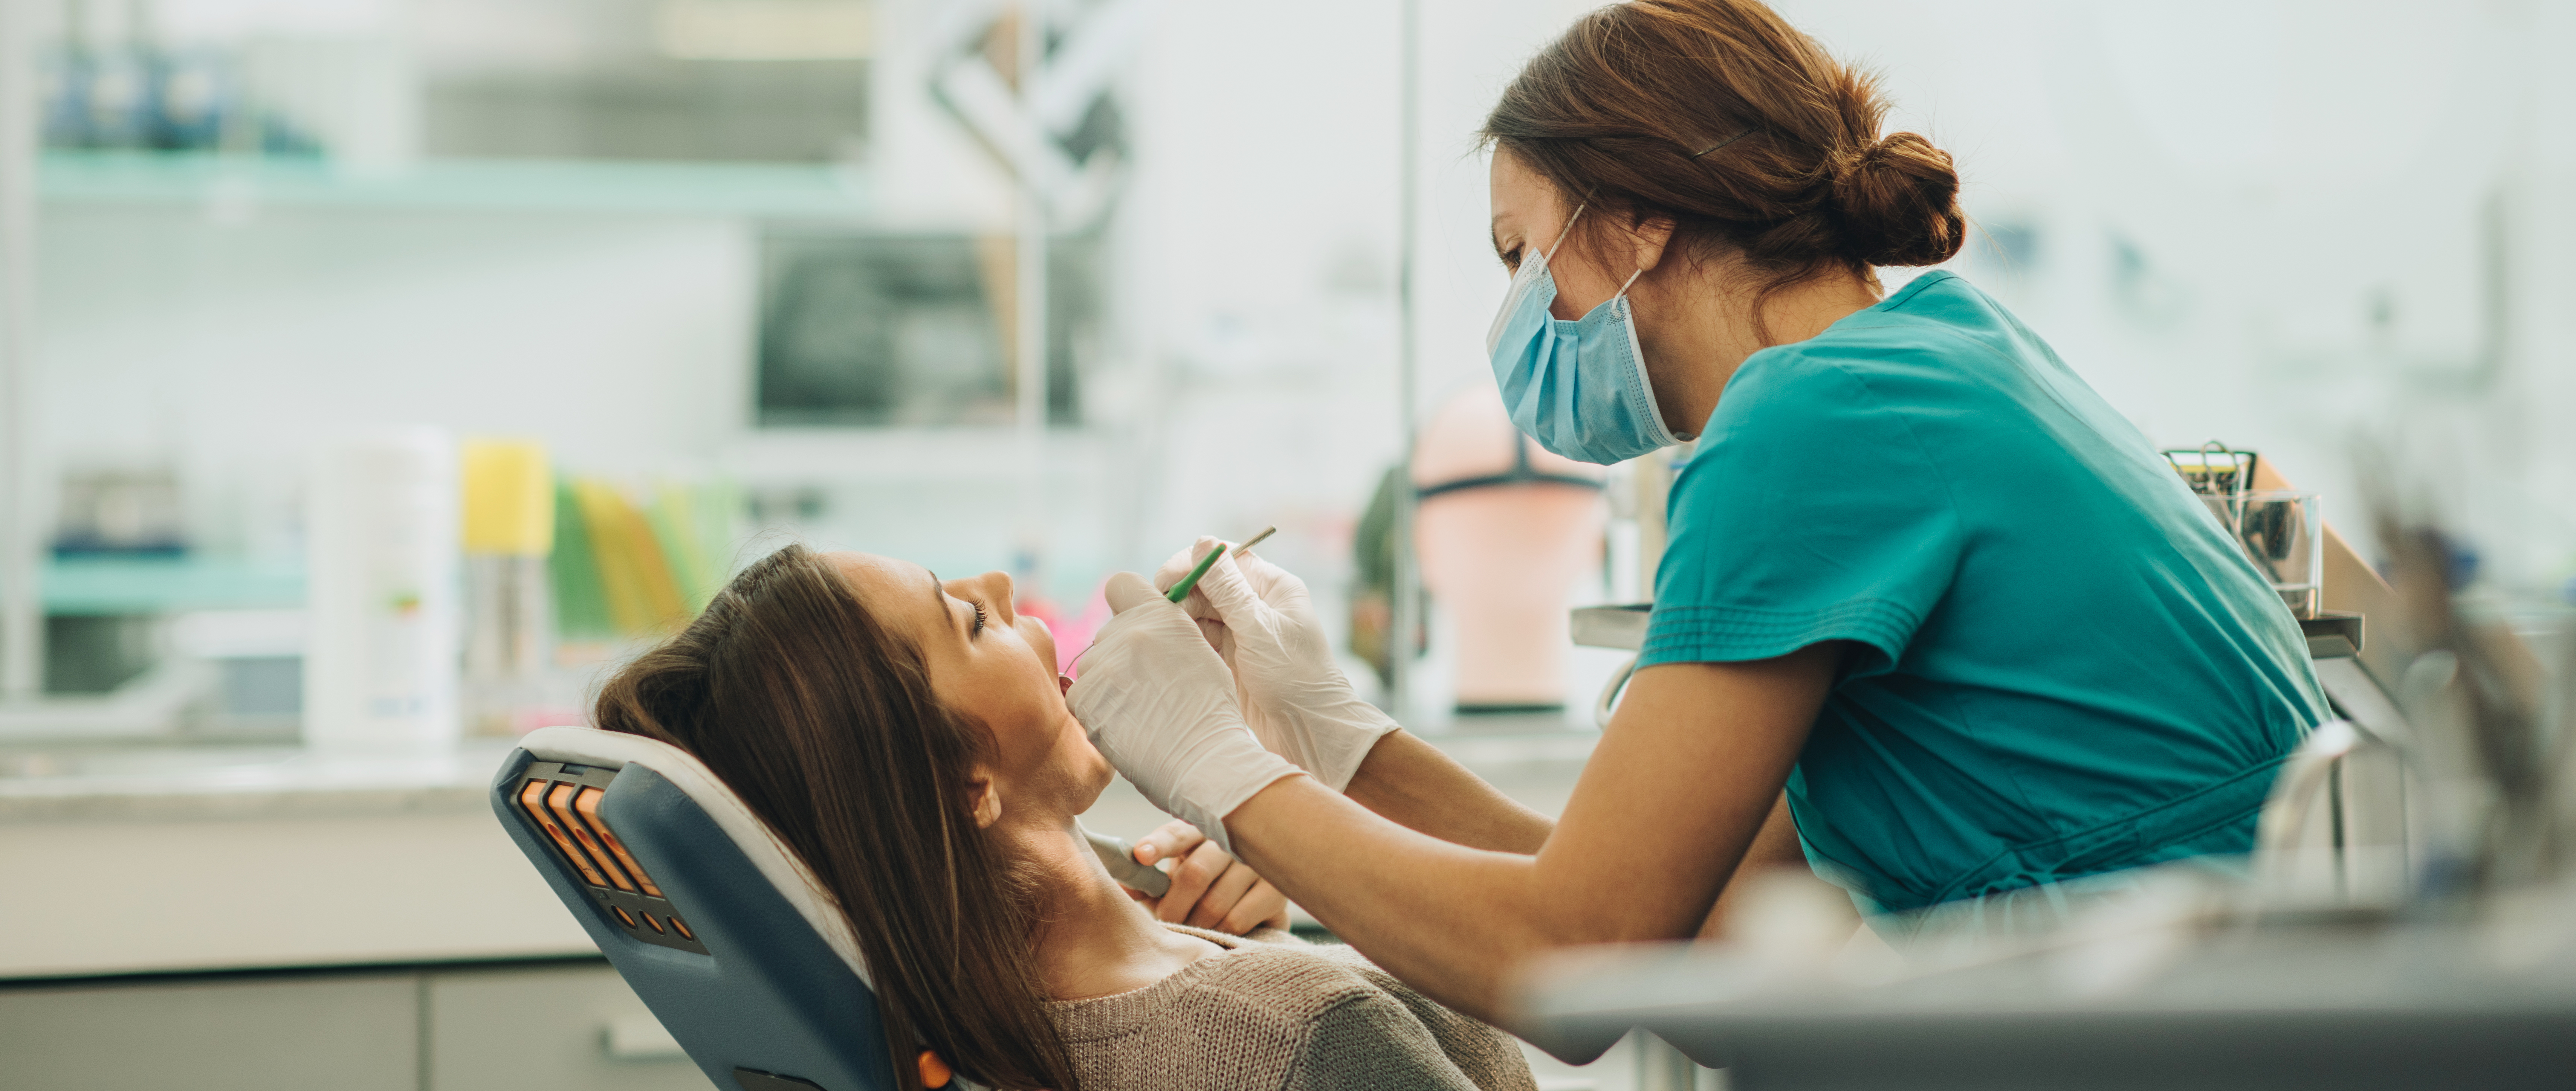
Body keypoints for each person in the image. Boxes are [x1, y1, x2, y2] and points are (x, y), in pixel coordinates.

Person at [1067, 0, 2331, 1031]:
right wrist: (1341, 747)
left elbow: (1574, 961)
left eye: (1519, 254)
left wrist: (1223, 772)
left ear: (1637, 217)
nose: (1511, 310)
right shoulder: (1936, 353)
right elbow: (1680, 904)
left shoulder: (1807, 423)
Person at [593, 544, 1537, 1091]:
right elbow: (1591, 931)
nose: (1001, 587)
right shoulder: (1312, 1039)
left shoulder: (1000, 1022)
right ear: (969, 784)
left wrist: (1258, 937)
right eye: (966, 621)